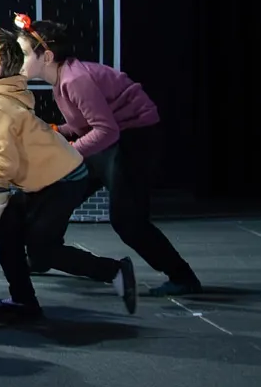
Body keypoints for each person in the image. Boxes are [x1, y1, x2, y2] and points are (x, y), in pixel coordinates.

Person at [0, 14, 136, 322]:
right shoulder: (3, 93)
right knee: (7, 228)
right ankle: (23, 300)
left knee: (43, 249)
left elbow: (4, 162)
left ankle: (115, 271)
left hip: (62, 179)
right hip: (47, 178)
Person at [14, 15, 202, 297]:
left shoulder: (75, 79)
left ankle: (183, 277)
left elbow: (106, 130)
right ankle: (42, 254)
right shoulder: (63, 79)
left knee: (127, 220)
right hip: (111, 139)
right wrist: (53, 131)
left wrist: (65, 153)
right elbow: (84, 124)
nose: (17, 59)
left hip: (133, 140)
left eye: (24, 53)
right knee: (57, 193)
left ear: (47, 56)